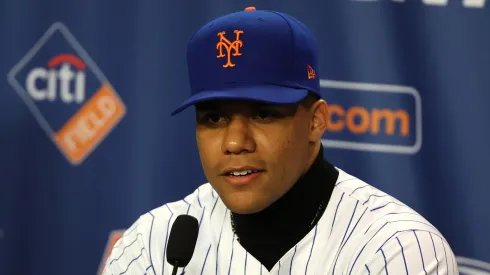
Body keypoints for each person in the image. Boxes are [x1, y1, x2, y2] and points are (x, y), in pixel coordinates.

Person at [103, 7, 459, 275]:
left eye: (263, 114)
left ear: (316, 121)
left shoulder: (397, 249)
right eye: (214, 118)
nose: (235, 143)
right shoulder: (151, 245)